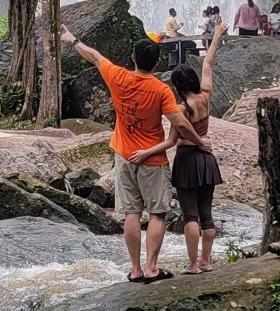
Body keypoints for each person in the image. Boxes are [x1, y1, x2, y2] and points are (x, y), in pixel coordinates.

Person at [60, 24, 210, 284]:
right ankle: (152, 267)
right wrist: (199, 141)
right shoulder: (160, 89)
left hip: (124, 155)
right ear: (157, 62)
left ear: (133, 59)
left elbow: (94, 55)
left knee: (131, 213)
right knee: (157, 213)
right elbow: (181, 123)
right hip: (152, 158)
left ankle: (135, 269)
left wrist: (72, 39)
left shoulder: (117, 76)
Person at [131, 21, 227, 274]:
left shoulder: (182, 109)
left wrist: (147, 152)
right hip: (207, 160)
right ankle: (207, 261)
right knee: (207, 214)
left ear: (176, 86)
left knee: (190, 216)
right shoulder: (205, 96)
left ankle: (193, 264)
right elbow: (208, 62)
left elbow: (172, 141)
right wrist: (216, 35)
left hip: (187, 160)